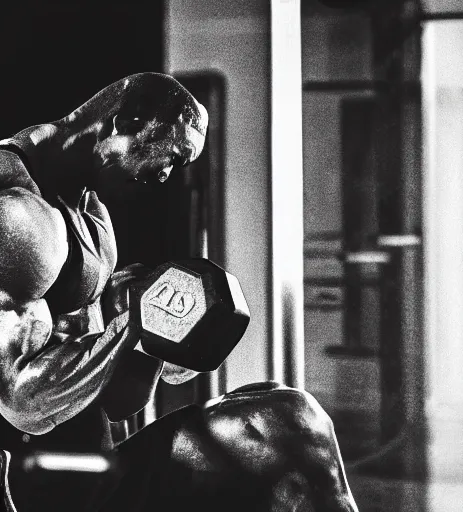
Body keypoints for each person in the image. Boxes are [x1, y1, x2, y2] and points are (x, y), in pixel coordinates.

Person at [0, 73, 358, 512]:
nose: (167, 176)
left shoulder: (91, 216)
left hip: (96, 470)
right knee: (287, 426)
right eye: (170, 156)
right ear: (126, 122)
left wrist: (159, 340)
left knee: (283, 410)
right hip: (32, 486)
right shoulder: (16, 211)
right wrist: (132, 326)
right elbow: (22, 402)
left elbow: (116, 404)